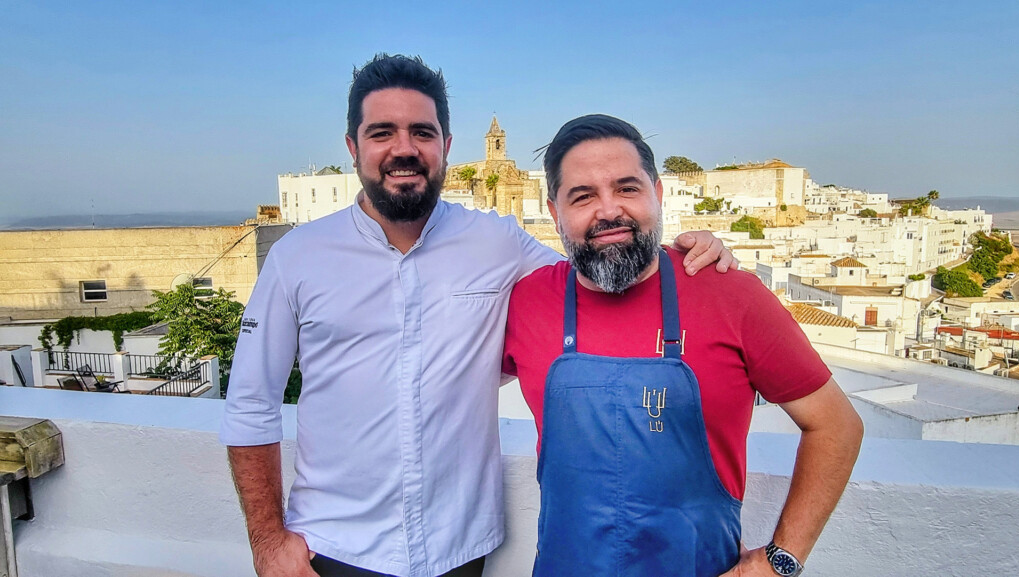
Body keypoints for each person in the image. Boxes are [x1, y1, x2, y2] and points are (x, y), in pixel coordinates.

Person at [220, 56, 737, 577]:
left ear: (445, 147)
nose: (404, 149)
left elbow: (597, 277)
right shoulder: (298, 257)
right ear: (353, 148)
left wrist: (682, 255)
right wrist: (267, 541)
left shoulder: (497, 241)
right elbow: (251, 401)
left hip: (459, 551)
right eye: (382, 132)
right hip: (332, 549)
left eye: (422, 132)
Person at [502, 114, 864, 577]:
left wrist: (781, 561)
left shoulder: (731, 294)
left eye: (627, 188)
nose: (609, 210)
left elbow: (837, 426)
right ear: (554, 213)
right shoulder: (528, 301)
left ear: (658, 193)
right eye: (583, 196)